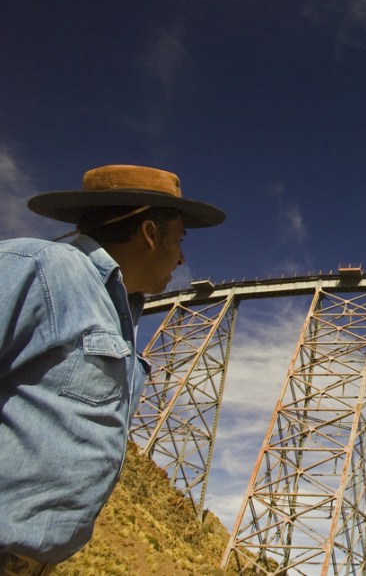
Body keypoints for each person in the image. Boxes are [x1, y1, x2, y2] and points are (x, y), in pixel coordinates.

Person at [0, 165, 224, 570]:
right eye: (180, 239)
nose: (184, 257)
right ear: (150, 234)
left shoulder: (119, 313)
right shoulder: (37, 267)